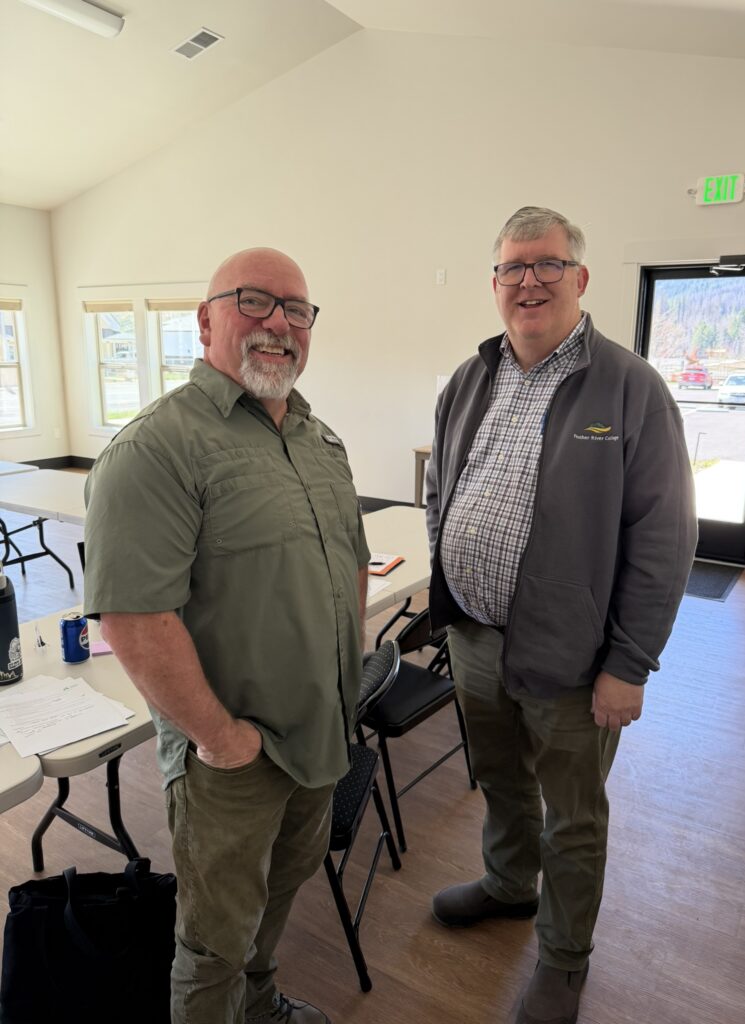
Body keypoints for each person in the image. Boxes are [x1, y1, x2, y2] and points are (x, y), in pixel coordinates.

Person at [83, 247, 370, 1024]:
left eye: (297, 309)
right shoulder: (155, 448)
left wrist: (346, 682)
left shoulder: (319, 439)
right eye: (255, 300)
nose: (279, 322)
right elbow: (133, 616)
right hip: (234, 759)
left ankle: (261, 1001)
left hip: (319, 733)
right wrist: (217, 737)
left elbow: (351, 561)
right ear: (205, 319)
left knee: (279, 894)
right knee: (214, 939)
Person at [425, 207, 697, 1024]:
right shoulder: (471, 377)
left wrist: (630, 662)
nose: (529, 281)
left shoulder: (629, 387)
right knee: (501, 782)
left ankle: (564, 957)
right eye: (513, 268)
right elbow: (441, 483)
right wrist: (447, 586)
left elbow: (665, 535)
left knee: (574, 815)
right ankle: (510, 885)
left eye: (546, 265)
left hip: (576, 658)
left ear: (580, 278)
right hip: (474, 637)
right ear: (496, 284)